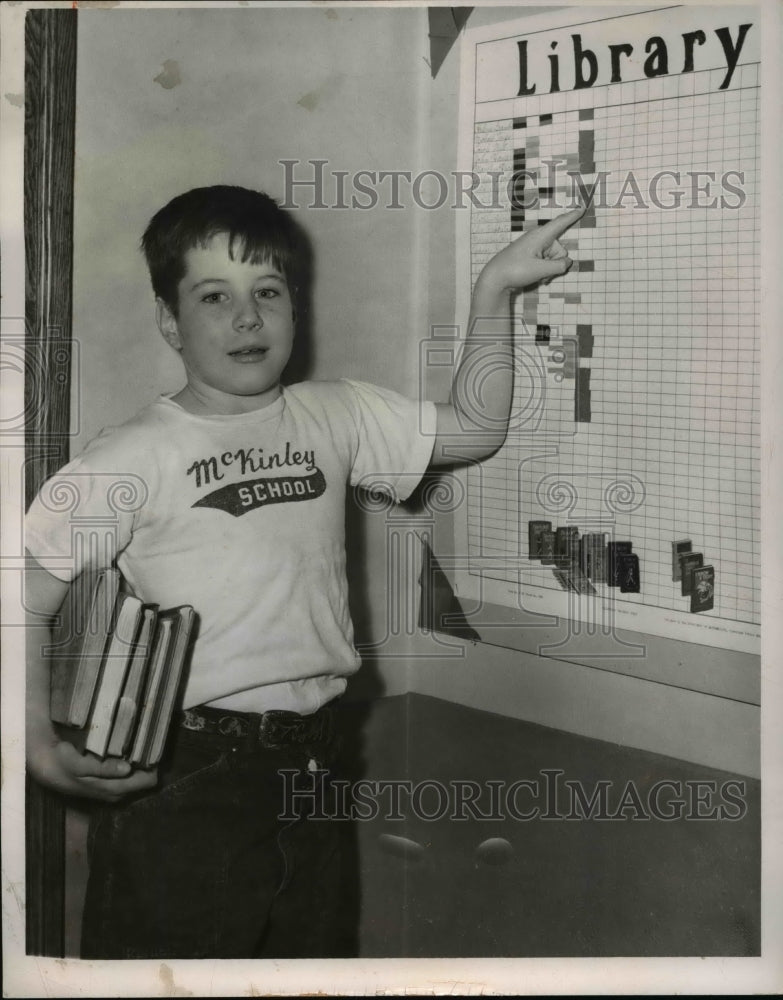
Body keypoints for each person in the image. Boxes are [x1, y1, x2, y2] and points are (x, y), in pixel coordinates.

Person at [24, 185, 583, 958]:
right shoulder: (131, 456)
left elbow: (476, 429)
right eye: (213, 296)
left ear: (295, 307)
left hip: (315, 766)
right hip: (187, 776)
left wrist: (493, 290)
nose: (247, 318)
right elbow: (19, 596)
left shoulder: (337, 413)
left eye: (268, 292)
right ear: (168, 321)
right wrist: (33, 743)